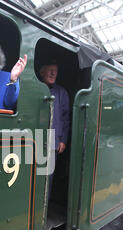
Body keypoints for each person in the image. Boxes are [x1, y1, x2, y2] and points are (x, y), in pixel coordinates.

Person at [39, 60, 70, 197]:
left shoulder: (62, 93)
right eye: (50, 69)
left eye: (55, 71)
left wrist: (63, 139)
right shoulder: (36, 88)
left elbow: (65, 117)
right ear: (42, 72)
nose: (53, 73)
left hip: (53, 141)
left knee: (48, 178)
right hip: (34, 139)